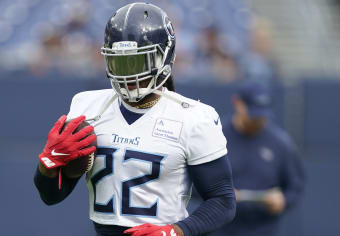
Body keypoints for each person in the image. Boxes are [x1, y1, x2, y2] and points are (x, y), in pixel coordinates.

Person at [34, 3, 236, 236]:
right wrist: (47, 165)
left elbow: (222, 202)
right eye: (120, 63)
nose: (128, 74)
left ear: (163, 57)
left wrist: (174, 232)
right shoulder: (87, 107)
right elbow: (51, 196)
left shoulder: (193, 117)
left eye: (137, 62)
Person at [208, 82, 305, 236]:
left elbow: (295, 186)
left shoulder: (280, 143)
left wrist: (284, 200)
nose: (258, 120)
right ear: (238, 103)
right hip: (222, 228)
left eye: (262, 115)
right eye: (253, 114)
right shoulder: (216, 137)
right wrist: (221, 194)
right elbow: (194, 183)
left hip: (264, 229)